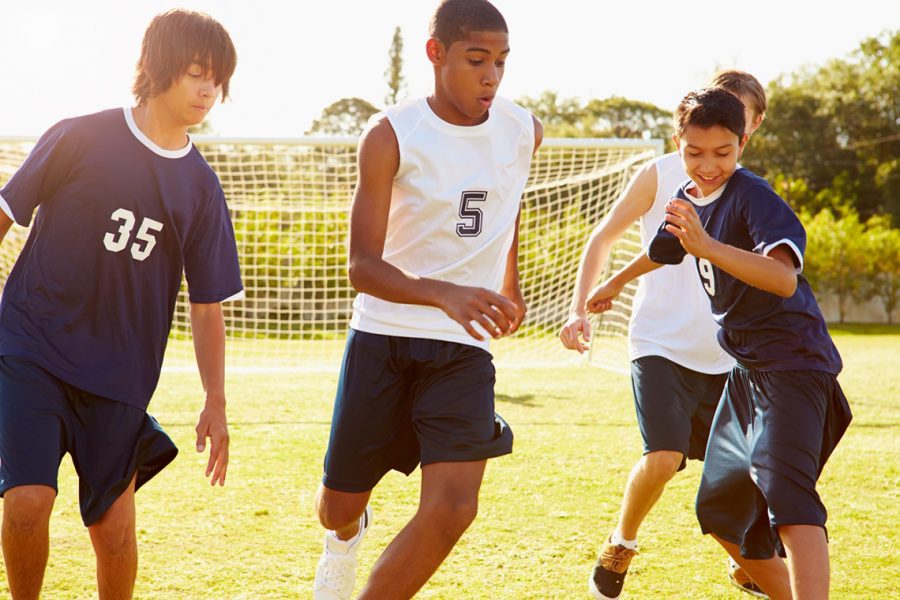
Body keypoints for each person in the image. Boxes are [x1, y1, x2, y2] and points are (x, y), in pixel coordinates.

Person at [0, 10, 242, 599]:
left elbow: (208, 305)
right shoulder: (79, 135)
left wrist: (216, 400)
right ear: (159, 69)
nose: (208, 89)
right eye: (195, 73)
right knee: (28, 500)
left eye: (218, 78)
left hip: (120, 377)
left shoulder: (202, 187)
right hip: (33, 348)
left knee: (112, 531)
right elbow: (5, 215)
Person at [312, 1, 542, 598]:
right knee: (336, 507)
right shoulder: (391, 133)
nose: (491, 76)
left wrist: (506, 282)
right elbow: (361, 265)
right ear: (435, 54)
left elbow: (508, 206)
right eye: (476, 60)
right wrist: (443, 293)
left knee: (454, 508)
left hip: (462, 348)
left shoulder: (524, 129)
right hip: (383, 338)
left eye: (501, 62)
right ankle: (344, 535)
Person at [586, 87, 851, 600]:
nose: (708, 165)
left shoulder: (753, 195)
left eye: (722, 153)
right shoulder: (685, 197)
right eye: (694, 152)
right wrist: (615, 282)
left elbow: (782, 279)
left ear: (742, 146)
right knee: (721, 510)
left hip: (793, 364)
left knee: (789, 498)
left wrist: (708, 246)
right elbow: (665, 250)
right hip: (746, 372)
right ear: (677, 143)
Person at [559, 71, 771, 599]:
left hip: (727, 357)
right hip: (659, 345)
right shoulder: (659, 176)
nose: (711, 157)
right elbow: (604, 237)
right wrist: (578, 307)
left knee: (749, 471)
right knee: (664, 456)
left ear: (749, 130)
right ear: (686, 135)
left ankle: (751, 559)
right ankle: (621, 544)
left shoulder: (750, 193)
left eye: (734, 128)